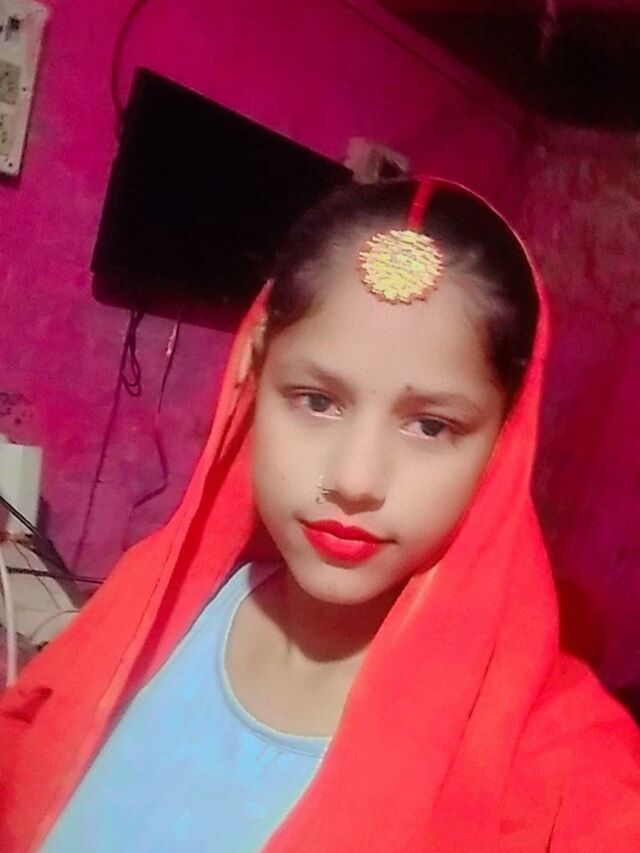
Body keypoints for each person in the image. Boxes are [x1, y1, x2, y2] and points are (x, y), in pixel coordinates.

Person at [1, 178, 639, 852]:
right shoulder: (148, 608)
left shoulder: (564, 764)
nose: (354, 480)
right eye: (316, 400)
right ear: (253, 371)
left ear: (505, 440)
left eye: (430, 425)